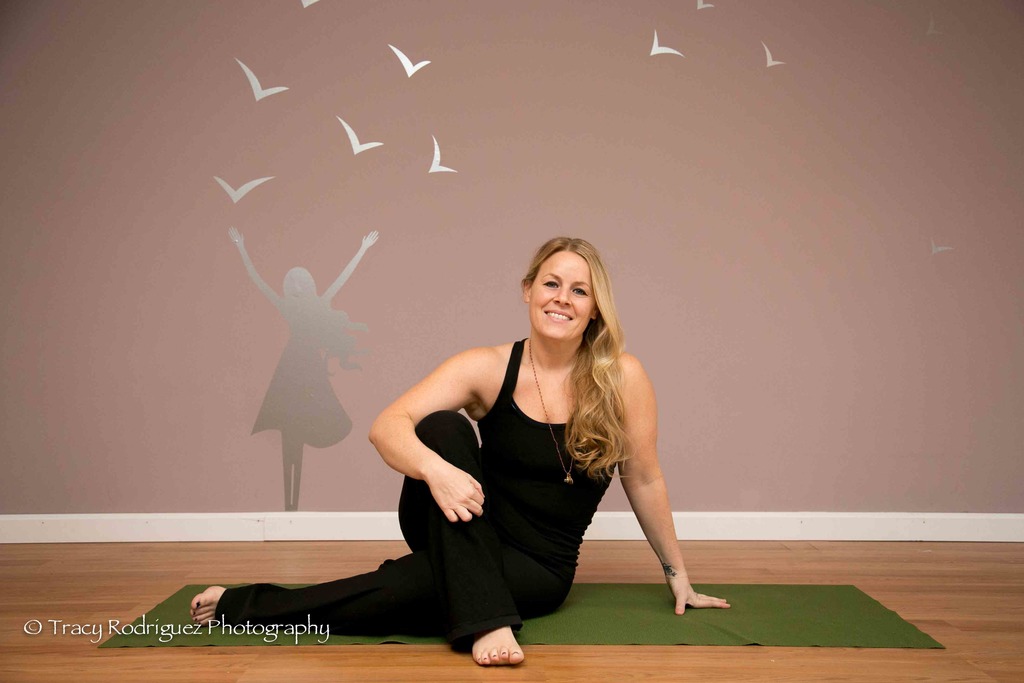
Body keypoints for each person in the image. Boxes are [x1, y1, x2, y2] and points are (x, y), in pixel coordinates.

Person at [191, 237, 729, 666]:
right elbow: (386, 427)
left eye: (579, 291)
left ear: (595, 309)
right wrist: (436, 472)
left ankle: (242, 605)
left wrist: (676, 573)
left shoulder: (623, 378)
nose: (562, 298)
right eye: (551, 283)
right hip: (459, 516)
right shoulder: (488, 366)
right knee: (442, 426)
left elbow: (644, 477)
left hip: (538, 568)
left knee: (400, 589)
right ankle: (488, 620)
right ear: (528, 291)